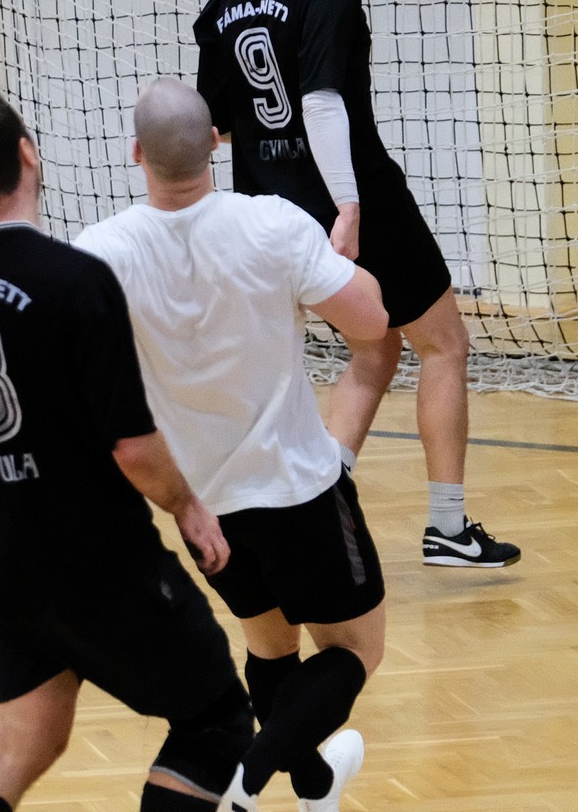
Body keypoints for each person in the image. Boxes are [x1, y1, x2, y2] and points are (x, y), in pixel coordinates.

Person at [0, 74, 255, 812]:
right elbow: (132, 447)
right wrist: (188, 506)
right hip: (95, 560)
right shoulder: (74, 280)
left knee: (26, 741)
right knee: (217, 723)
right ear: (28, 154)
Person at [76, 78, 393, 812]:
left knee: (271, 646)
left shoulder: (100, 254)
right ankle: (245, 784)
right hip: (297, 490)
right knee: (355, 652)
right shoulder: (272, 224)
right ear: (217, 143)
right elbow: (372, 323)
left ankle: (314, 788)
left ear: (136, 154)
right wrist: (343, 264)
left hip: (203, 506)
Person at [192, 0, 520, 569]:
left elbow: (215, 125)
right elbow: (321, 101)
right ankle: (447, 527)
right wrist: (348, 203)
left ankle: (325, 493)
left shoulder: (224, 0)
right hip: (355, 204)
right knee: (444, 345)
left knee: (375, 348)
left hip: (269, 211)